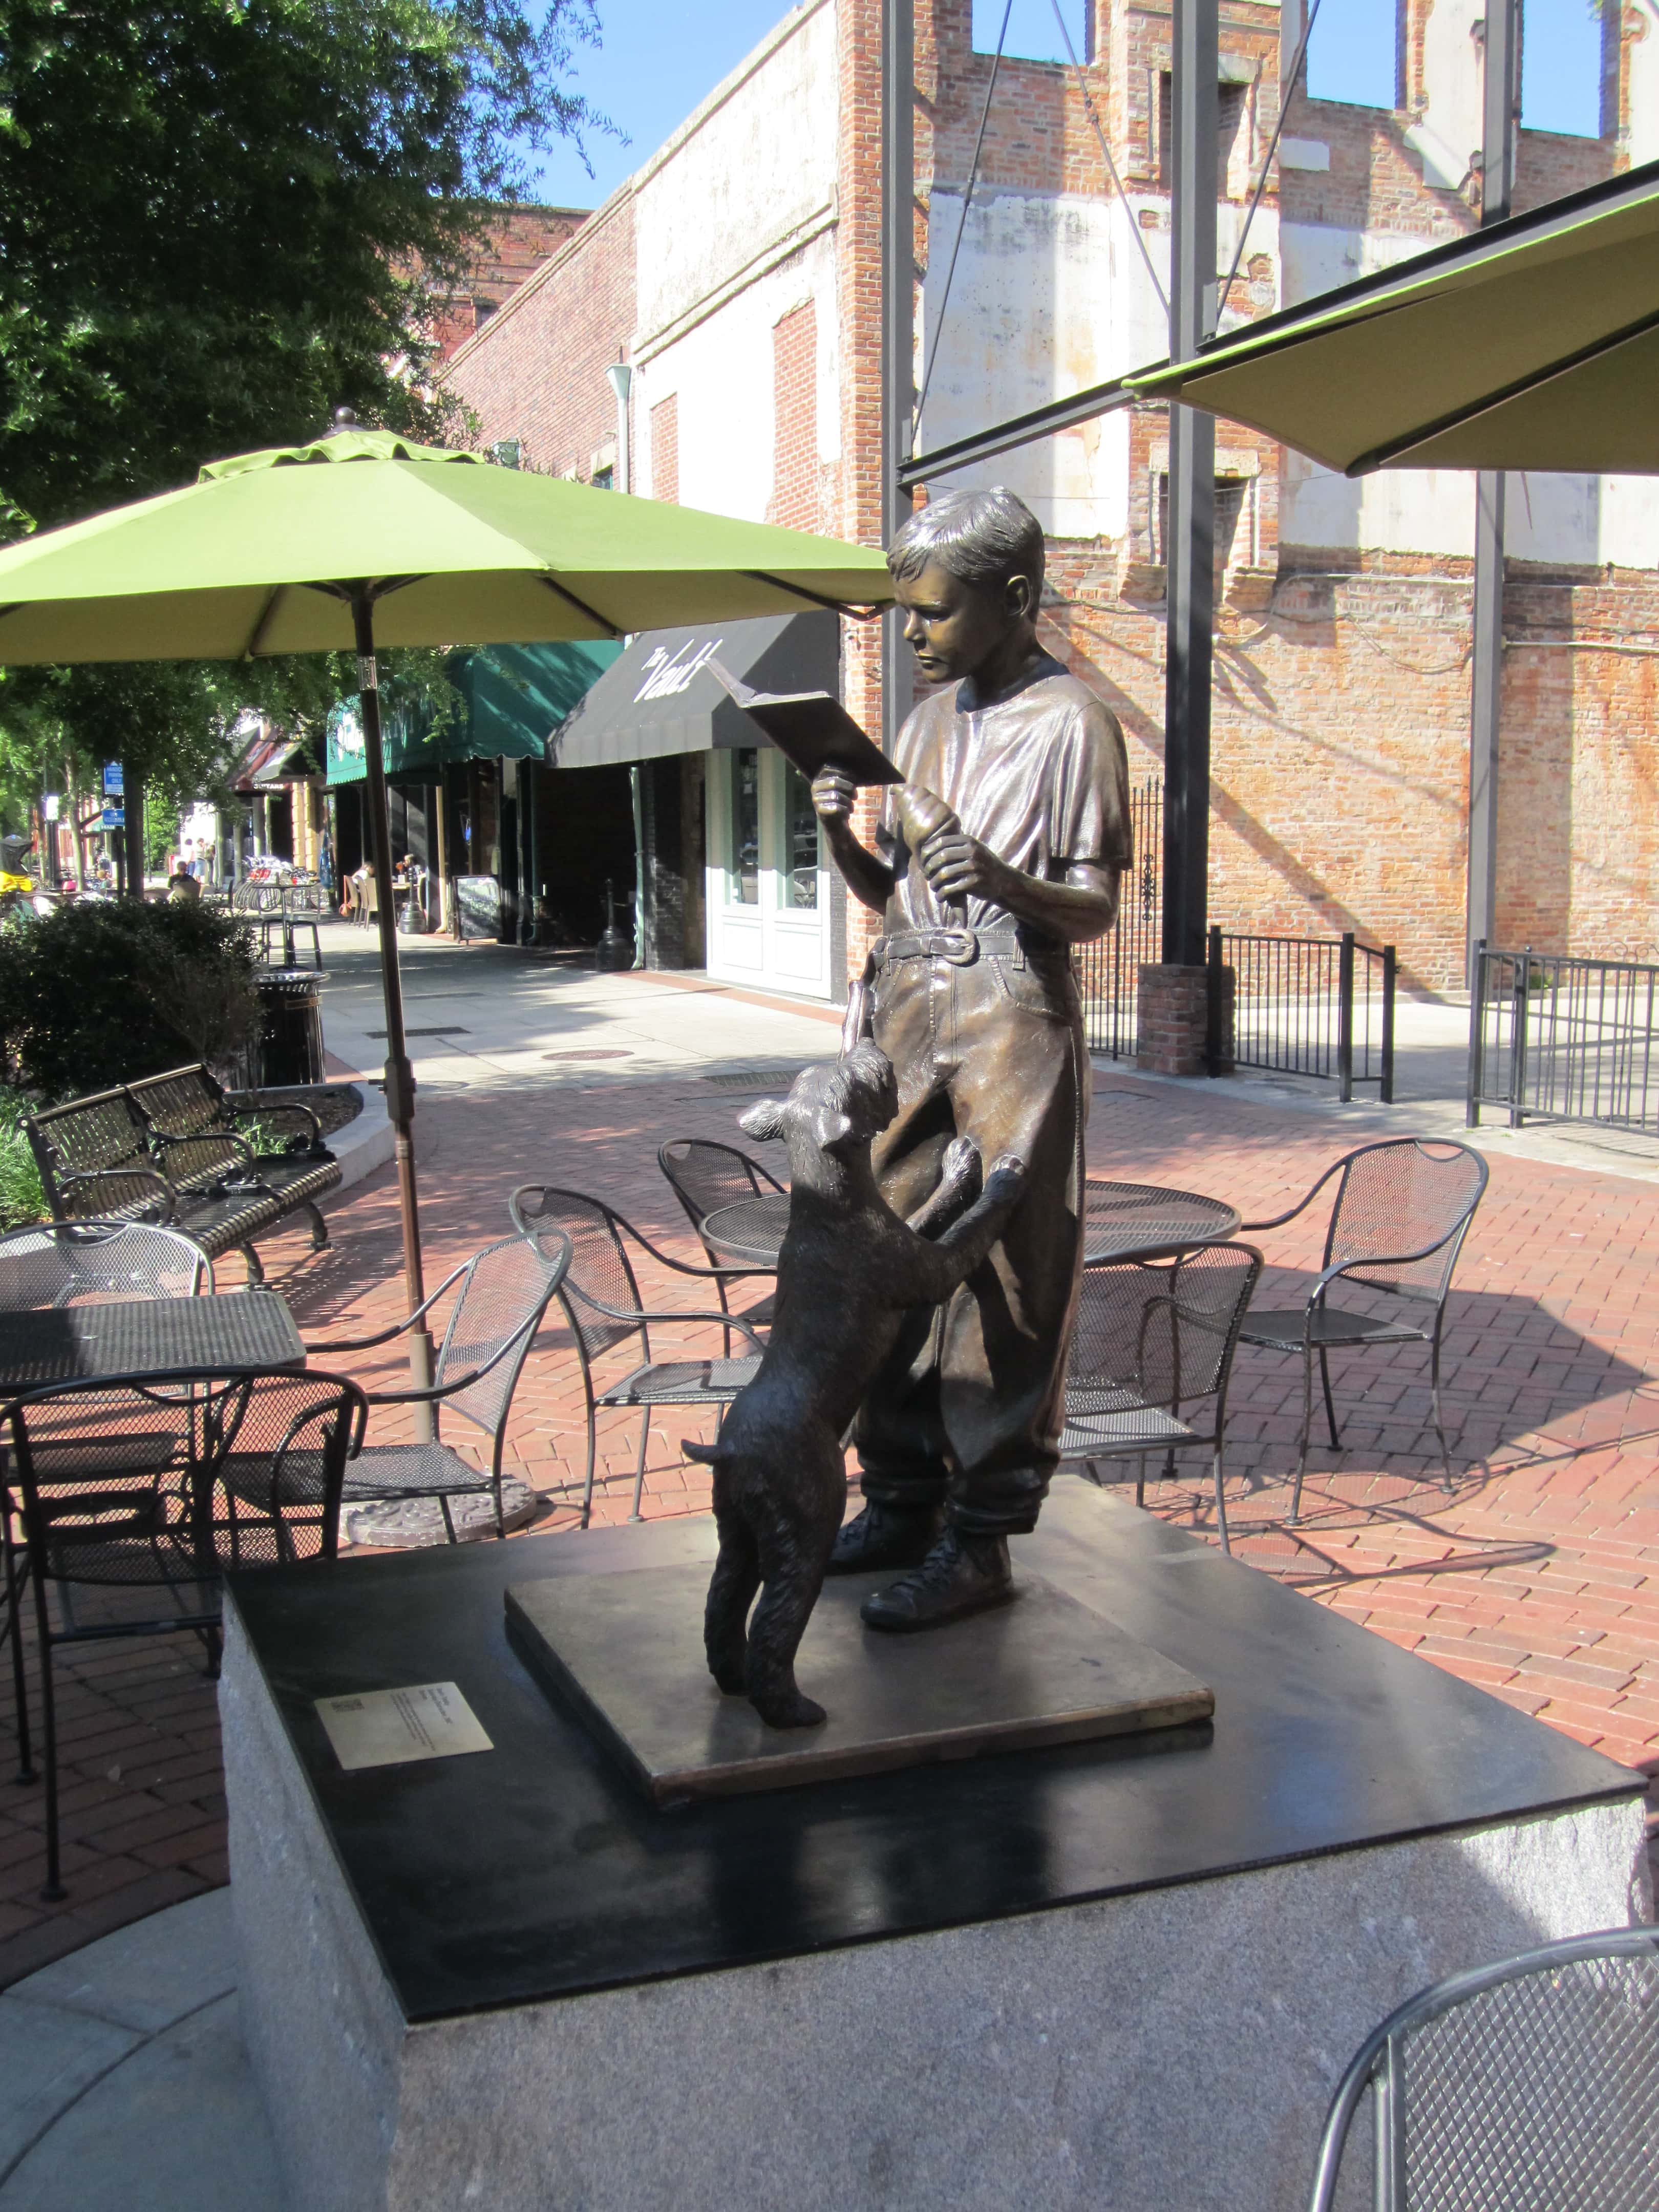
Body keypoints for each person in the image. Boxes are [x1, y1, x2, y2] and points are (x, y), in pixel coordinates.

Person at [811, 485, 1130, 1632]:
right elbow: (893, 892)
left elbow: (1092, 908)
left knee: (1007, 1273)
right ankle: (897, 1495)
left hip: (1009, 1006)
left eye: (934, 615)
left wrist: (1000, 877)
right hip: (907, 994)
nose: (912, 637)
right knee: (880, 1242)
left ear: (1015, 599)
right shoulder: (925, 725)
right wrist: (845, 835)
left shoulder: (1075, 725)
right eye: (907, 614)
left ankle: (983, 1535)